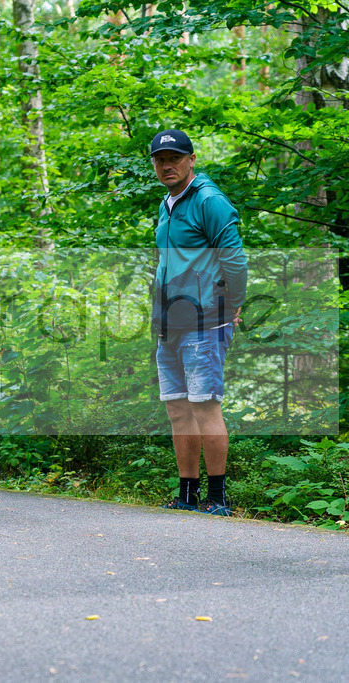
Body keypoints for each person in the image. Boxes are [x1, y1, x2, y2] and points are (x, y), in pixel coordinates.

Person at [150, 129, 247, 516]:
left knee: (205, 405)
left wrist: (232, 305)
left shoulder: (209, 201)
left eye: (174, 157)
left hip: (205, 321)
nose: (167, 165)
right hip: (169, 323)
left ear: (192, 159)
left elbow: (235, 260)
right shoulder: (167, 203)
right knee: (177, 409)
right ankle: (187, 495)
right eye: (160, 159)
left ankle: (218, 498)